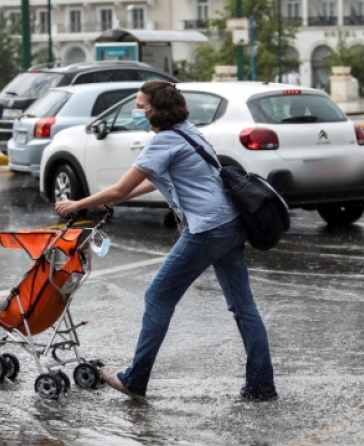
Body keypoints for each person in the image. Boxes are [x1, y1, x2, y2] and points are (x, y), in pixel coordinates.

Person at [54, 80, 277, 402]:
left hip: (207, 230)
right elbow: (156, 179)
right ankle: (261, 385)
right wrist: (117, 200)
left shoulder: (163, 142)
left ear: (156, 110)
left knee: (157, 296)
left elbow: (119, 188)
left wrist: (78, 204)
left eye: (141, 106)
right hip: (230, 224)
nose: (139, 112)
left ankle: (135, 379)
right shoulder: (190, 131)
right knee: (244, 307)